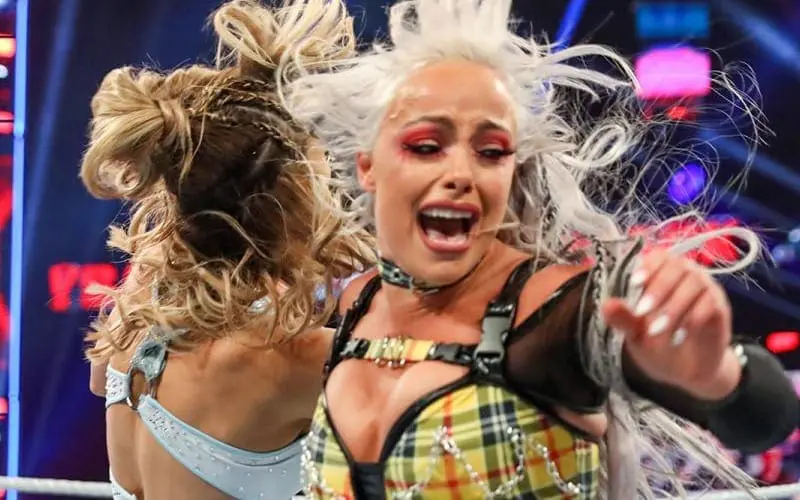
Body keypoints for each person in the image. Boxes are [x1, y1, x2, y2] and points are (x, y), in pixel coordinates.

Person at [280, 0, 799, 498]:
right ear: (368, 166)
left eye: (491, 152)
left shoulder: (555, 311)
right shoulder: (356, 304)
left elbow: (763, 417)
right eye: (427, 146)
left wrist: (716, 375)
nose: (461, 174)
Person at [81, 0, 372, 498]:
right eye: (322, 175)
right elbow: (443, 406)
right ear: (291, 196)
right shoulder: (291, 358)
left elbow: (99, 378)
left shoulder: (141, 305)